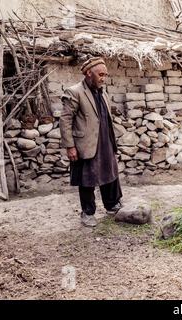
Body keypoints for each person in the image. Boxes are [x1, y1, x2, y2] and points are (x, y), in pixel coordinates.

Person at [60, 57, 123, 227]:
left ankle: (112, 205)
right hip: (86, 144)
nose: (104, 78)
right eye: (100, 74)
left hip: (105, 141)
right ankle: (87, 213)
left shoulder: (103, 93)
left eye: (105, 75)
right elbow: (65, 120)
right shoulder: (75, 92)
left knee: (109, 173)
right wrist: (70, 146)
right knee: (87, 178)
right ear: (89, 73)